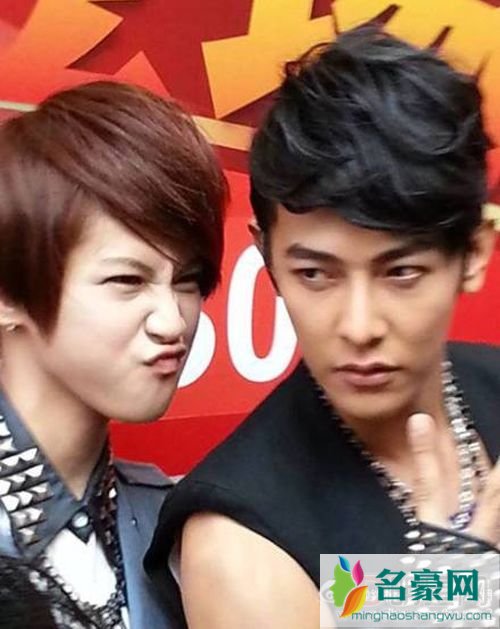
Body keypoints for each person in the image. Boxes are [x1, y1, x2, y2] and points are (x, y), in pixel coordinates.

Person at [145, 26, 500, 628]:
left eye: (401, 272)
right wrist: (449, 599)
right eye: (315, 274)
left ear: (473, 254)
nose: (359, 326)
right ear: (269, 260)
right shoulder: (242, 540)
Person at [0, 80, 226, 628]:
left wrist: (437, 557)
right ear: (8, 294)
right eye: (127, 280)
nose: (172, 321)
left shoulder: (183, 523)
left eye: (188, 280)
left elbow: (359, 602)